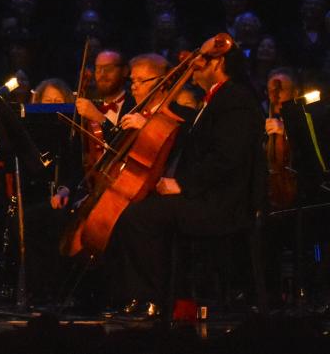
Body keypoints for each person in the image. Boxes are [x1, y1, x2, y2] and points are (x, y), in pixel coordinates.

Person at [110, 44, 265, 319]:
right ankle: (159, 296)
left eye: (200, 61)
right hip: (209, 195)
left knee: (140, 217)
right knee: (142, 210)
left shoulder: (236, 98)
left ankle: (152, 298)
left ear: (217, 64)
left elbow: (227, 157)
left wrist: (181, 184)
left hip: (222, 202)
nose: (192, 66)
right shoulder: (217, 98)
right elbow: (198, 134)